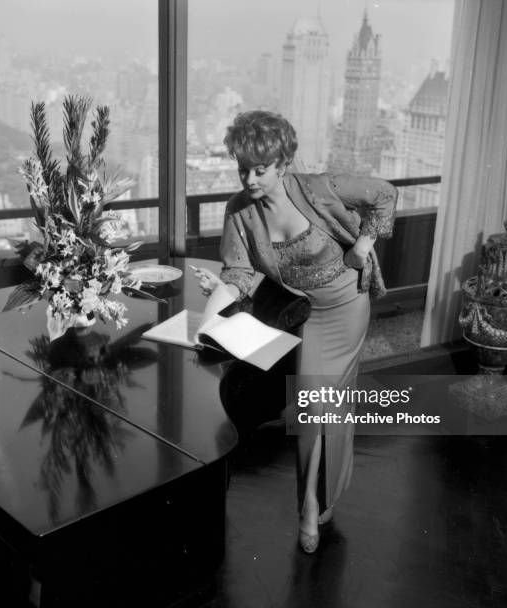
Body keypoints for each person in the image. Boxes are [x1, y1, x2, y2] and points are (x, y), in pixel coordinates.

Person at [193, 110, 397, 553]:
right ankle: (319, 498)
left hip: (346, 307)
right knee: (318, 408)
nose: (249, 179)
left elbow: (384, 194)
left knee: (315, 406)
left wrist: (363, 245)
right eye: (242, 168)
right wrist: (208, 323)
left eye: (260, 170)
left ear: (283, 164)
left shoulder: (320, 188)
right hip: (302, 311)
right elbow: (237, 274)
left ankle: (310, 507)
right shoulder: (239, 212)